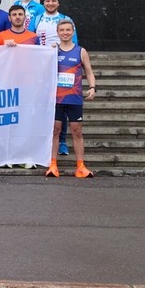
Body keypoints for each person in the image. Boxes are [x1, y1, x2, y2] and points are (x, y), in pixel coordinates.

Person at [46, 19, 97, 179]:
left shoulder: (81, 51)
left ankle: (80, 166)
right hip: (57, 99)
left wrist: (92, 87)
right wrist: (49, 51)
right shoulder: (53, 50)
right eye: (62, 30)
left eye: (68, 30)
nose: (65, 33)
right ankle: (53, 164)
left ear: (73, 32)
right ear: (58, 32)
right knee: (55, 131)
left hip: (74, 98)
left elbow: (88, 71)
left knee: (77, 132)